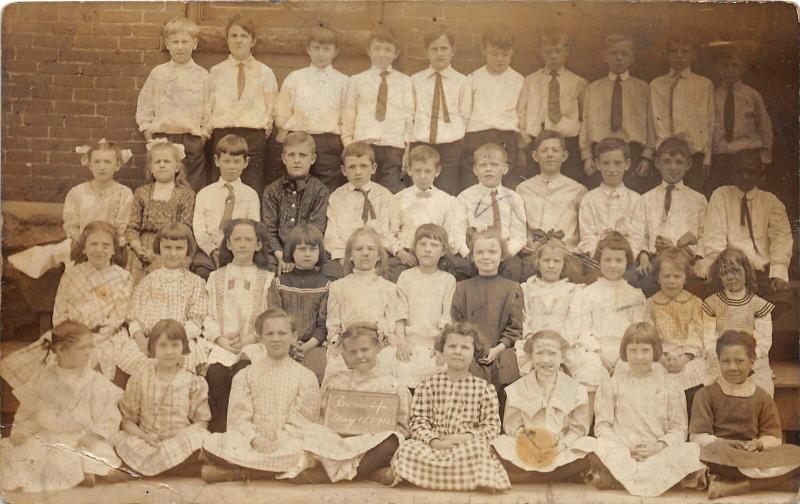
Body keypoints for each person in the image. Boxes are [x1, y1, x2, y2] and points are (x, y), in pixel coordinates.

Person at [1, 222, 138, 389]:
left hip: (105, 335)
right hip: (70, 333)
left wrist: (97, 336)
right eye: (93, 244)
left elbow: (118, 315)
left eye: (105, 245)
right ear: (84, 248)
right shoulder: (72, 275)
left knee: (96, 355)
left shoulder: (123, 277)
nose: (99, 250)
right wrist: (68, 333)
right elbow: (61, 310)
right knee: (48, 361)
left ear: (114, 249)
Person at [0, 321, 122, 493]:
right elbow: (28, 410)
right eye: (82, 348)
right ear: (61, 350)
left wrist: (95, 435)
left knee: (94, 452)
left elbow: (109, 415)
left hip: (80, 436)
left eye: (90, 347)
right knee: (22, 452)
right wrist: (21, 431)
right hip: (47, 435)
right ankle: (81, 472)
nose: (88, 352)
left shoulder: (93, 381)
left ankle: (89, 470)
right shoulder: (44, 378)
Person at [201, 308, 320, 482]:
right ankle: (278, 471)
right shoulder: (246, 375)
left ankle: (238, 473)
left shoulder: (305, 376)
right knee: (214, 443)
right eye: (269, 334)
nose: (276, 338)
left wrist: (279, 442)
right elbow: (239, 416)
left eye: (282, 333)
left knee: (305, 449)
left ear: (294, 337)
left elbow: (303, 419)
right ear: (261, 337)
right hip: (252, 443)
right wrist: (255, 439)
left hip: (286, 443)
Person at [588, 322, 706, 497]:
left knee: (692, 450)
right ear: (624, 353)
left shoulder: (671, 385)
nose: (639, 357)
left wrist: (657, 447)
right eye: (633, 351)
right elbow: (602, 425)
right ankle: (659, 480)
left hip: (658, 452)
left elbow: (679, 429)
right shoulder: (612, 384)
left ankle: (618, 479)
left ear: (655, 352)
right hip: (624, 451)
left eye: (645, 350)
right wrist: (625, 447)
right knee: (591, 444)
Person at [390, 322, 511, 491]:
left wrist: (466, 438)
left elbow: (492, 426)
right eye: (452, 346)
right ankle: (466, 479)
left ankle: (424, 478)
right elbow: (418, 421)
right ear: (442, 350)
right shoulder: (428, 385)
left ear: (474, 352)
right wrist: (434, 441)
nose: (458, 352)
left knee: (479, 450)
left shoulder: (484, 388)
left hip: (465, 445)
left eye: (465, 347)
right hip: (433, 445)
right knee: (408, 449)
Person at [690, 331, 800, 499]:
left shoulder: (761, 397)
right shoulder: (705, 395)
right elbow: (698, 436)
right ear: (718, 362)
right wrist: (725, 443)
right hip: (721, 454)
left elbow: (773, 437)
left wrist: (758, 444)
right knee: (700, 454)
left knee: (795, 453)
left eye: (740, 361)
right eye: (726, 361)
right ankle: (776, 482)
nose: (733, 367)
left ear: (752, 362)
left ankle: (734, 485)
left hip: (752, 454)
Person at [298, 323, 412, 484]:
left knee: (392, 441)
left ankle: (328, 477)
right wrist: (339, 430)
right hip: (342, 440)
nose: (359, 356)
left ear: (377, 348)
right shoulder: (337, 384)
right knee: (313, 432)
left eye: (365, 350)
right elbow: (324, 418)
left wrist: (377, 429)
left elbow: (403, 428)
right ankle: (368, 473)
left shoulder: (393, 386)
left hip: (373, 443)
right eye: (353, 352)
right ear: (344, 354)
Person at [111, 319, 210, 478]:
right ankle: (177, 470)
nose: (169, 351)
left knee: (202, 439)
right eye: (163, 345)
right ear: (152, 348)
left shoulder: (192, 381)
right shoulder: (140, 378)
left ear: (183, 347)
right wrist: (145, 438)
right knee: (119, 439)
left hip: (178, 440)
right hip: (148, 441)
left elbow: (202, 422)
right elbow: (127, 420)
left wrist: (181, 434)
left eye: (175, 345)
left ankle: (138, 470)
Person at [493, 331, 593, 483]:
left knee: (590, 445)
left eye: (552, 354)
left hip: (561, 447)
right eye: (539, 353)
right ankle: (556, 475)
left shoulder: (577, 390)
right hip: (528, 445)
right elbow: (512, 425)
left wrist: (560, 446)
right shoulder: (517, 388)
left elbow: (578, 428)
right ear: (531, 357)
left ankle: (528, 475)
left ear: (563, 357)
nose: (545, 360)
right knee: (500, 444)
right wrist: (530, 443)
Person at [203, 219, 274, 432]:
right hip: (222, 344)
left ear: (258, 245)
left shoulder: (267, 278)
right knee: (216, 373)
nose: (242, 244)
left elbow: (268, 316)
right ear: (229, 244)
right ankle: (219, 427)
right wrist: (221, 339)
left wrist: (249, 339)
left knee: (244, 372)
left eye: (248, 239)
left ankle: (242, 429)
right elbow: (207, 316)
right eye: (237, 239)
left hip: (252, 342)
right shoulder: (216, 277)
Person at [696, 149, 793, 302]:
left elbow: (781, 238)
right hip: (728, 270)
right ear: (731, 174)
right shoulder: (721, 195)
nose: (745, 176)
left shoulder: (771, 202)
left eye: (751, 172)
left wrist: (778, 273)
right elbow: (714, 237)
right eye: (739, 171)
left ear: (761, 175)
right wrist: (724, 270)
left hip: (761, 272)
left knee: (776, 305)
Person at [135, 17, 211, 192]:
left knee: (192, 189)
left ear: (195, 44)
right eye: (175, 42)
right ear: (167, 44)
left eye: (185, 42)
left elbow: (210, 111)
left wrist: (202, 139)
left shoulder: (202, 76)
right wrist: (150, 139)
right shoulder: (158, 73)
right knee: (162, 187)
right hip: (162, 139)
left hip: (192, 141)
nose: (180, 46)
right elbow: (144, 109)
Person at [207, 14, 278, 195]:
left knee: (251, 188)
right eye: (234, 35)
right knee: (222, 188)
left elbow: (272, 108)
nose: (239, 40)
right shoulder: (216, 71)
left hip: (254, 137)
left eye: (244, 36)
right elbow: (208, 106)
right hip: (223, 135)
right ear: (227, 39)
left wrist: (262, 132)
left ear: (253, 41)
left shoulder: (265, 72)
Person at [629, 136, 707, 297]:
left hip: (685, 262)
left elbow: (705, 235)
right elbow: (638, 233)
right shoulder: (646, 198)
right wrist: (643, 257)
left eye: (679, 162)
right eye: (667, 161)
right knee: (637, 284)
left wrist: (696, 258)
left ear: (688, 165)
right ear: (657, 163)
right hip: (653, 260)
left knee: (696, 287)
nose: (672, 167)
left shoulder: (698, 200)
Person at [128, 223, 208, 378]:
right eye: (167, 248)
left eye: (178, 248)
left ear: (187, 250)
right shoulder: (149, 281)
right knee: (131, 358)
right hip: (147, 341)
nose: (173, 253)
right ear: (159, 248)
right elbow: (134, 319)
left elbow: (196, 322)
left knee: (183, 364)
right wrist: (141, 341)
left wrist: (169, 342)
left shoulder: (195, 283)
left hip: (179, 343)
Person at [324, 228, 403, 383]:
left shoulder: (388, 288)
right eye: (359, 249)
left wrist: (377, 333)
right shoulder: (338, 286)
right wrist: (341, 343)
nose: (365, 253)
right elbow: (333, 324)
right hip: (347, 346)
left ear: (379, 255)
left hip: (377, 346)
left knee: (385, 371)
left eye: (371, 249)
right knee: (336, 372)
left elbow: (391, 323)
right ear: (350, 256)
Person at [275, 26, 348, 192]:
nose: (321, 53)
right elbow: (282, 110)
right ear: (308, 49)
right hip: (299, 139)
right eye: (316, 48)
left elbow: (346, 116)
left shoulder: (343, 82)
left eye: (326, 49)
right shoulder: (296, 78)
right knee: (296, 185)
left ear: (335, 51)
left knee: (326, 188)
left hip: (329, 142)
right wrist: (287, 131)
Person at [451, 229, 522, 397]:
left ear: (502, 256)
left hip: (501, 352)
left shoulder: (513, 288)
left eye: (492, 251)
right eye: (480, 252)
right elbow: (457, 322)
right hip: (469, 351)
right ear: (473, 257)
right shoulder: (463, 288)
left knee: (506, 373)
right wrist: (472, 348)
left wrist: (497, 349)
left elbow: (515, 329)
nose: (486, 256)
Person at [341, 29, 413, 194]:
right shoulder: (357, 80)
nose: (382, 54)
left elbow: (410, 117)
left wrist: (406, 150)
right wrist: (350, 146)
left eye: (388, 49)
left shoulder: (405, 82)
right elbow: (348, 115)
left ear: (396, 53)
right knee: (364, 191)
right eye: (377, 48)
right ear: (369, 51)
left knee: (392, 191)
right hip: (364, 145)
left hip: (393, 147)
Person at [580, 33, 654, 192]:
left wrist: (647, 156)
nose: (619, 58)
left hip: (632, 153)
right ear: (604, 56)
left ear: (632, 58)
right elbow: (585, 123)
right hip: (600, 152)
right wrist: (586, 156)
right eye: (614, 53)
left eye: (624, 54)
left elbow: (650, 124)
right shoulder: (593, 88)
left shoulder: (643, 88)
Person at [569, 231, 646, 382]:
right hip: (595, 352)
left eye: (618, 260)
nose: (613, 265)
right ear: (599, 261)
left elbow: (639, 331)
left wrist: (623, 355)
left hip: (626, 352)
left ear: (627, 261)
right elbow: (581, 330)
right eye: (607, 260)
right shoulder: (587, 293)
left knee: (630, 372)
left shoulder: (635, 295)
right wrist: (599, 354)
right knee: (589, 370)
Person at [387, 145, 469, 281]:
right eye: (417, 171)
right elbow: (390, 231)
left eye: (428, 171)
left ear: (437, 171)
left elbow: (454, 234)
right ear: (409, 170)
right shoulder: (398, 198)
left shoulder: (447, 201)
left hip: (437, 256)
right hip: (408, 255)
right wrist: (399, 252)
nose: (423, 176)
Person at [702, 248, 775, 396]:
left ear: (746, 272)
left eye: (735, 271)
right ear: (719, 277)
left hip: (751, 361)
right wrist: (720, 358)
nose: (730, 277)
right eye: (724, 273)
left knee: (761, 391)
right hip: (721, 360)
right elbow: (708, 337)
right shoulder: (712, 304)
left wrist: (748, 361)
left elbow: (764, 341)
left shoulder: (759, 305)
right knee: (714, 390)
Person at [644, 247, 709, 413]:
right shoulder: (651, 304)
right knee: (653, 374)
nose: (671, 281)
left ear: (685, 278)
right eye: (666, 276)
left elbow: (697, 334)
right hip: (660, 357)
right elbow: (649, 334)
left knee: (696, 371)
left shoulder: (695, 303)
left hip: (687, 356)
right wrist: (661, 357)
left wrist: (685, 358)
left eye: (677, 276)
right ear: (658, 278)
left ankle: (689, 422)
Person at [518, 31, 586, 182]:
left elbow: (583, 116)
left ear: (566, 51)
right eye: (549, 52)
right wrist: (523, 145)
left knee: (568, 185)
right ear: (541, 53)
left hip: (568, 143)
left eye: (558, 51)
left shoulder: (578, 83)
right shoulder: (530, 81)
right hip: (537, 142)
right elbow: (521, 113)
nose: (554, 56)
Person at [394, 224, 457, 389]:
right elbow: (400, 315)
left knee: (440, 376)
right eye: (422, 244)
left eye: (434, 245)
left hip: (435, 346)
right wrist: (402, 343)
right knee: (401, 372)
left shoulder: (447, 280)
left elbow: (447, 318)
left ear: (443, 251)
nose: (427, 249)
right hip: (409, 343)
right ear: (415, 247)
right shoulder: (406, 277)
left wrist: (441, 346)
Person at [515, 130, 588, 272]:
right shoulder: (522, 190)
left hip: (567, 256)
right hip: (533, 255)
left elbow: (583, 233)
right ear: (535, 156)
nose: (550, 154)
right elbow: (520, 229)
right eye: (544, 150)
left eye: (555, 150)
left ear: (564, 155)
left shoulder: (578, 191)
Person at [410, 27, 471, 195]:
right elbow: (410, 115)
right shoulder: (416, 80)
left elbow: (465, 116)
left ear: (453, 51)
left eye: (444, 48)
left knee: (447, 191)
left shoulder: (462, 81)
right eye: (434, 49)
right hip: (421, 143)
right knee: (420, 191)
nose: (439, 54)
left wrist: (452, 134)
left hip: (451, 146)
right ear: (426, 52)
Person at [649, 35, 714, 192]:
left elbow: (710, 122)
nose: (679, 55)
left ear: (694, 55)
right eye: (673, 51)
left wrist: (707, 156)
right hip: (664, 155)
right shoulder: (656, 84)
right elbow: (651, 122)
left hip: (693, 154)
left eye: (685, 51)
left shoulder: (704, 84)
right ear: (666, 55)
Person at [191, 133, 261, 280]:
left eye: (236, 162)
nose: (231, 167)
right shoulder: (205, 194)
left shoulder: (250, 195)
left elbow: (253, 227)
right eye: (226, 161)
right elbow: (199, 229)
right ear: (217, 161)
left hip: (240, 250)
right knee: (202, 272)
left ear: (245, 162)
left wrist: (237, 250)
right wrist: (212, 251)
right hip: (209, 250)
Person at [267, 224, 330, 383]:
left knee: (314, 374)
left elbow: (323, 325)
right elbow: (275, 319)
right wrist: (291, 343)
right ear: (291, 251)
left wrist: (305, 347)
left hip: (314, 346)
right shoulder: (279, 283)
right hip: (284, 344)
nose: (307, 254)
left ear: (319, 251)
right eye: (301, 249)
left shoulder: (326, 285)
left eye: (313, 249)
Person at [462, 26, 524, 189]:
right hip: (478, 136)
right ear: (484, 50)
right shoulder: (473, 78)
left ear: (512, 52)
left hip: (506, 137)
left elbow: (520, 112)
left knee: (506, 180)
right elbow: (465, 113)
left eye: (505, 54)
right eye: (494, 54)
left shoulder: (518, 80)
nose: (500, 59)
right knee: (475, 180)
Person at [127, 139, 195, 284]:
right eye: (157, 162)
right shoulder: (141, 192)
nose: (162, 165)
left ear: (177, 167)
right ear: (151, 168)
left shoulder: (186, 194)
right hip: (141, 247)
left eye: (167, 161)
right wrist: (138, 248)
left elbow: (185, 229)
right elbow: (132, 227)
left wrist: (157, 250)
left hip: (172, 245)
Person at [457, 143, 527, 281]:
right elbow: (457, 232)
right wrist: (470, 255)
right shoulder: (464, 197)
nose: (488, 169)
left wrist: (504, 255)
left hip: (505, 256)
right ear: (475, 170)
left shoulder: (514, 198)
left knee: (514, 270)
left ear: (505, 169)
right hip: (475, 255)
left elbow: (520, 236)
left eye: (494, 164)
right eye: (483, 165)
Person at [323, 141, 394, 278]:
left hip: (377, 257)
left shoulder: (384, 196)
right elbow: (332, 235)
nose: (358, 172)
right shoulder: (337, 197)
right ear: (344, 171)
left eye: (363, 166)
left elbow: (388, 231)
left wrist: (377, 256)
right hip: (346, 258)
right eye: (352, 167)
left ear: (373, 168)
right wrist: (343, 259)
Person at [261, 131, 329, 273]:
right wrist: (281, 256)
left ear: (313, 159)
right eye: (291, 155)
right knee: (266, 267)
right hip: (277, 253)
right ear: (284, 158)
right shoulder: (271, 191)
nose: (297, 160)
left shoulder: (320, 191)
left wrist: (297, 256)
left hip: (307, 251)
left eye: (303, 155)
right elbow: (269, 230)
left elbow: (316, 229)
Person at [710, 43, 773, 194]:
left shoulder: (752, 96)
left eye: (734, 65)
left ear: (742, 68)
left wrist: (764, 158)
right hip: (723, 157)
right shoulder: (713, 95)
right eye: (725, 66)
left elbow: (765, 128)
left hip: (747, 155)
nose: (730, 70)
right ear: (718, 68)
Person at [578, 137, 641, 265]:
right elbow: (588, 236)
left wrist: (625, 260)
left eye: (617, 163)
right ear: (597, 164)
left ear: (627, 164)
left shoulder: (636, 200)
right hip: (597, 260)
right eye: (606, 163)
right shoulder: (589, 199)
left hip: (627, 261)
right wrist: (602, 259)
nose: (612, 169)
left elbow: (637, 237)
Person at [64, 139, 134, 253]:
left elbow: (123, 226)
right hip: (82, 245)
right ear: (89, 165)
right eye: (96, 162)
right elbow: (71, 224)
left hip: (111, 247)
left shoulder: (124, 193)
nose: (101, 167)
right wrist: (81, 241)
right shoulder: (77, 192)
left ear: (117, 165)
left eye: (107, 162)